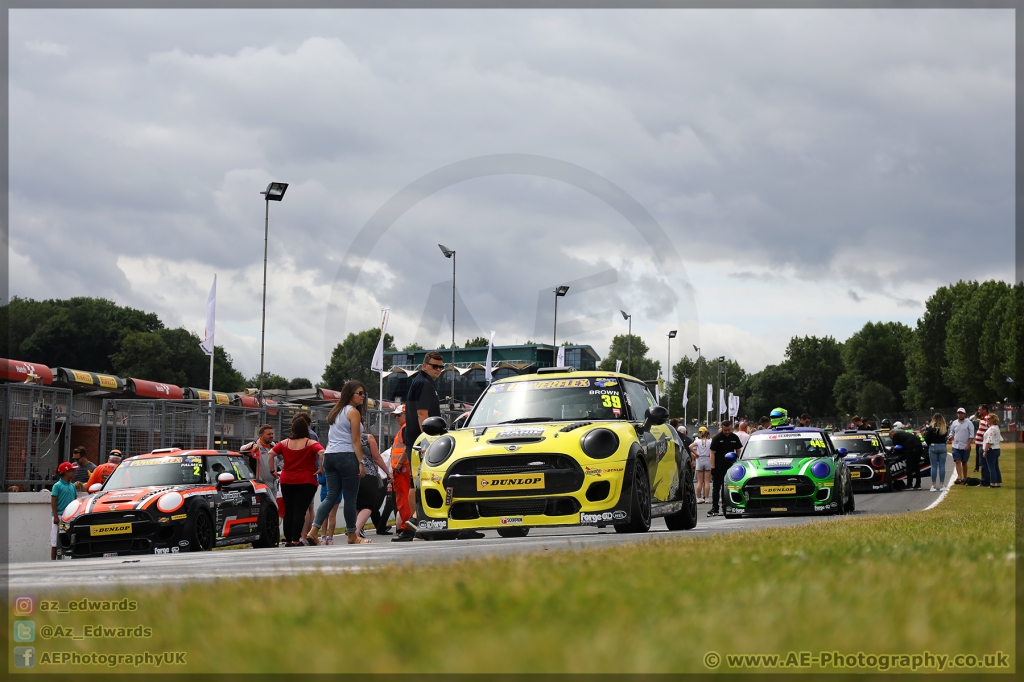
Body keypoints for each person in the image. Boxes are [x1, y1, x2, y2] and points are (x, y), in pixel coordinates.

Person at [393, 352, 446, 542]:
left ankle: (415, 525)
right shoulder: (423, 383)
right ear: (425, 366)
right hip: (422, 441)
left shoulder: (422, 382)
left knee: (416, 482)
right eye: (435, 366)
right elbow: (422, 413)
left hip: (415, 440)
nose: (438, 370)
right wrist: (429, 437)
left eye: (441, 367)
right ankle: (416, 522)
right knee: (420, 482)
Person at [308, 381, 369, 546]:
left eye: (363, 393)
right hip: (347, 455)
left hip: (330, 456)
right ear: (350, 394)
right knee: (350, 498)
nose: (363, 396)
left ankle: (313, 531)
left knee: (330, 496)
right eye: (359, 393)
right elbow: (355, 440)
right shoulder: (353, 412)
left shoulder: (336, 412)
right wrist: (361, 462)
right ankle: (352, 535)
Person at [270, 414, 325, 547]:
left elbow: (271, 453)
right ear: (306, 428)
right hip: (306, 480)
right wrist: (321, 468)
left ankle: (288, 539)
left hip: (287, 479)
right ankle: (296, 539)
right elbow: (322, 452)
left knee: (289, 509)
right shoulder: (310, 443)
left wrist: (273, 471)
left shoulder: (284, 443)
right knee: (300, 510)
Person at [353, 431, 392, 538]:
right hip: (367, 473)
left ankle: (355, 528)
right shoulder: (367, 438)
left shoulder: (345, 437)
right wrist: (388, 472)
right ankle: (356, 531)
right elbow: (377, 458)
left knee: (356, 504)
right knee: (368, 506)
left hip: (351, 473)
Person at [388, 405, 416, 538]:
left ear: (407, 414)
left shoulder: (406, 429)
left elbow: (407, 447)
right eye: (395, 416)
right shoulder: (407, 429)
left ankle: (407, 529)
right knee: (406, 498)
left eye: (399, 415)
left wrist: (398, 464)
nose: (397, 418)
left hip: (402, 469)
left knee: (404, 499)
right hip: (403, 469)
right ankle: (409, 527)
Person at [708, 419, 743, 516]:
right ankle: (715, 507)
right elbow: (712, 453)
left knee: (727, 488)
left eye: (728, 430)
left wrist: (737, 461)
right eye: (725, 430)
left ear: (731, 428)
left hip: (730, 467)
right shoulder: (717, 438)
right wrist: (713, 467)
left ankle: (726, 506)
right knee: (716, 488)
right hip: (718, 466)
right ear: (722, 429)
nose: (727, 432)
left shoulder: (734, 437)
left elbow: (738, 450)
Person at [50, 462, 78, 560]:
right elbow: (53, 501)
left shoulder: (72, 486)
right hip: (59, 516)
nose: (74, 472)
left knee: (69, 538)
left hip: (69, 517)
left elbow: (75, 500)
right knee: (55, 540)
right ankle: (53, 560)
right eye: (71, 471)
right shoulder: (57, 486)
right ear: (66, 472)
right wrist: (56, 516)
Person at [240, 425, 277, 491]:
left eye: (272, 434)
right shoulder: (255, 445)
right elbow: (241, 449)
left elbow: (282, 458)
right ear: (261, 436)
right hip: (261, 483)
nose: (271, 436)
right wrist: (253, 446)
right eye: (269, 434)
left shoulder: (273, 445)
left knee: (274, 501)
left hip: (274, 482)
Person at [891, 422, 923, 490]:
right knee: (916, 467)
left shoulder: (895, 436)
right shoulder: (904, 434)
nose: (891, 439)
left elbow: (894, 448)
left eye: (890, 438)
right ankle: (918, 484)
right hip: (919, 446)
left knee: (909, 466)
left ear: (892, 434)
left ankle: (909, 485)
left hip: (911, 447)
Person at [948, 408, 975, 484]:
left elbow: (971, 435)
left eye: (962, 413)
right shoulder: (954, 423)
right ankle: (959, 477)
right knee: (957, 461)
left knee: (964, 462)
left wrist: (968, 445)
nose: (960, 415)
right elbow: (951, 432)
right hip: (956, 445)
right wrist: (951, 437)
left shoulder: (969, 423)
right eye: (959, 413)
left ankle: (965, 477)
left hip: (965, 445)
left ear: (964, 414)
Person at [922, 412, 948, 491]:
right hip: (942, 446)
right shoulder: (944, 427)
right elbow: (945, 437)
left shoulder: (931, 427)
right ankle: (942, 485)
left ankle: (933, 485)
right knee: (942, 466)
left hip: (933, 446)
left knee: (933, 466)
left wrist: (930, 444)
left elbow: (926, 438)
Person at [689, 426, 712, 503]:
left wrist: (696, 454)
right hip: (707, 459)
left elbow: (690, 447)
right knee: (707, 481)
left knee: (700, 481)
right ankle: (706, 498)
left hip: (699, 460)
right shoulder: (710, 441)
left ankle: (698, 498)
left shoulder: (697, 441)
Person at [981, 414, 1002, 488]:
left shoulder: (992, 429)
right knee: (996, 467)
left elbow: (989, 441)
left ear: (992, 420)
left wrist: (985, 451)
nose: (987, 420)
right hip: (997, 448)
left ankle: (992, 483)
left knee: (991, 467)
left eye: (988, 419)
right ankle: (998, 482)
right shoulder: (996, 428)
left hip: (991, 449)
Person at [973, 405, 990, 486]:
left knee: (984, 464)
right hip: (980, 444)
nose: (978, 411)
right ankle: (985, 480)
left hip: (983, 445)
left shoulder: (987, 418)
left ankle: (985, 481)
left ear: (985, 410)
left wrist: (984, 438)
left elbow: (990, 430)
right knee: (982, 463)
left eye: (980, 409)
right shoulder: (983, 418)